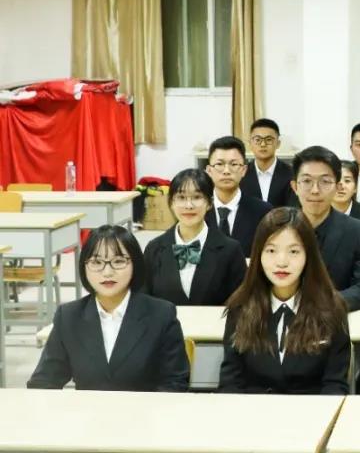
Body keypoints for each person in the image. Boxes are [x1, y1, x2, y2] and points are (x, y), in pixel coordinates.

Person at [27, 225, 189, 391]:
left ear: (135, 264)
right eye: (97, 262)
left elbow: (175, 383)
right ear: (84, 267)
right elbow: (43, 382)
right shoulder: (69, 317)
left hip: (145, 408)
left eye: (118, 261)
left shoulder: (161, 315)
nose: (107, 272)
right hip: (86, 408)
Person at [219, 208, 350, 394]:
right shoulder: (241, 306)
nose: (281, 262)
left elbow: (335, 385)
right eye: (271, 250)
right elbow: (231, 383)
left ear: (308, 255)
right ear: (258, 254)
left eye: (294, 251)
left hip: (312, 410)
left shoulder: (331, 308)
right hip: (252, 410)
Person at [290, 145, 360, 311]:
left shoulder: (358, 232)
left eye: (325, 182)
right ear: (295, 187)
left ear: (337, 187)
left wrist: (322, 305)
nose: (315, 190)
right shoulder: (280, 229)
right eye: (307, 181)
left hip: (335, 317)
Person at [144, 168, 246, 306]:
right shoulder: (154, 248)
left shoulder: (231, 250)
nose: (189, 205)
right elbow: (144, 301)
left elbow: (241, 302)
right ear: (171, 203)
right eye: (181, 198)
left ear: (209, 203)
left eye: (197, 197)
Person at [204, 135, 272, 255]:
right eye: (219, 164)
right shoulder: (198, 210)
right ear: (209, 171)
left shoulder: (263, 212)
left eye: (234, 164)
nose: (226, 171)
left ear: (244, 170)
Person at [239, 118, 295, 207]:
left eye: (268, 140)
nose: (263, 144)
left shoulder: (291, 174)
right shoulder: (241, 174)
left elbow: (293, 209)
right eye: (258, 140)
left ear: (278, 143)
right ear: (250, 143)